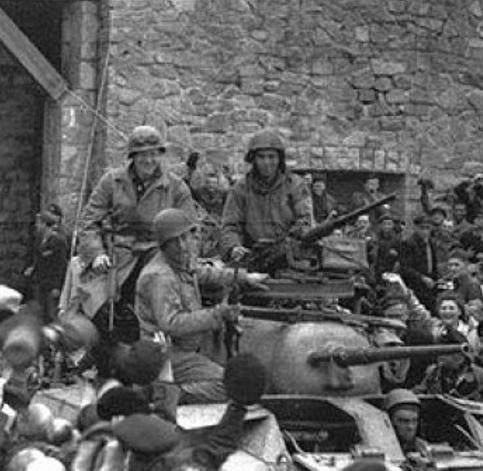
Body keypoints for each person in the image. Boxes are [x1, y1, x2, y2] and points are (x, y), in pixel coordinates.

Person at [68, 124, 198, 328]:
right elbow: (89, 222)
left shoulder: (176, 187)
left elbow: (190, 230)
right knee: (96, 303)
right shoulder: (111, 182)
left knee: (166, 295)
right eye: (142, 155)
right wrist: (96, 254)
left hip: (159, 252)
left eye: (154, 154)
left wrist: (187, 260)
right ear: (132, 157)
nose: (148, 160)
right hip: (118, 254)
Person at [136, 208, 263, 404]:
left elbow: (204, 273)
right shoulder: (160, 276)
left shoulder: (180, 261)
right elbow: (172, 324)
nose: (181, 246)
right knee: (229, 387)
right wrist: (218, 314)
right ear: (163, 246)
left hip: (190, 346)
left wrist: (243, 277)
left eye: (183, 238)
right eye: (173, 242)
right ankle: (167, 396)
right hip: (166, 352)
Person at [218, 129, 315, 269]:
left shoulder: (295, 185)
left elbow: (306, 221)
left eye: (272, 157)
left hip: (291, 259)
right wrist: (234, 247)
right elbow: (230, 226)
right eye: (261, 157)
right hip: (253, 258)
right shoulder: (240, 189)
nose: (267, 162)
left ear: (279, 159)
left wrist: (289, 242)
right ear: (253, 159)